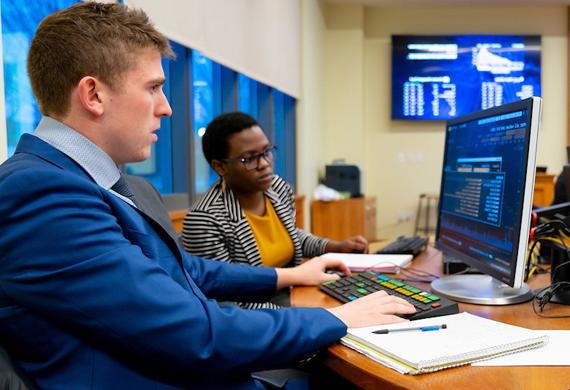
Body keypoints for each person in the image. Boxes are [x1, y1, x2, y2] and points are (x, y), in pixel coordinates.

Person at [0, 3, 415, 389]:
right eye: (153, 88)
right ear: (93, 95)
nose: (167, 108)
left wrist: (290, 275)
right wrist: (333, 318)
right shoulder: (41, 192)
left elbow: (184, 271)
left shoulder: (88, 180)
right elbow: (192, 333)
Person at [183, 112, 369, 308]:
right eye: (249, 159)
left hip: (296, 292)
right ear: (220, 167)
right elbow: (228, 303)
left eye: (266, 151)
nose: (264, 164)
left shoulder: (277, 187)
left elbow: (289, 235)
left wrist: (334, 247)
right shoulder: (205, 219)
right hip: (256, 311)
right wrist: (303, 317)